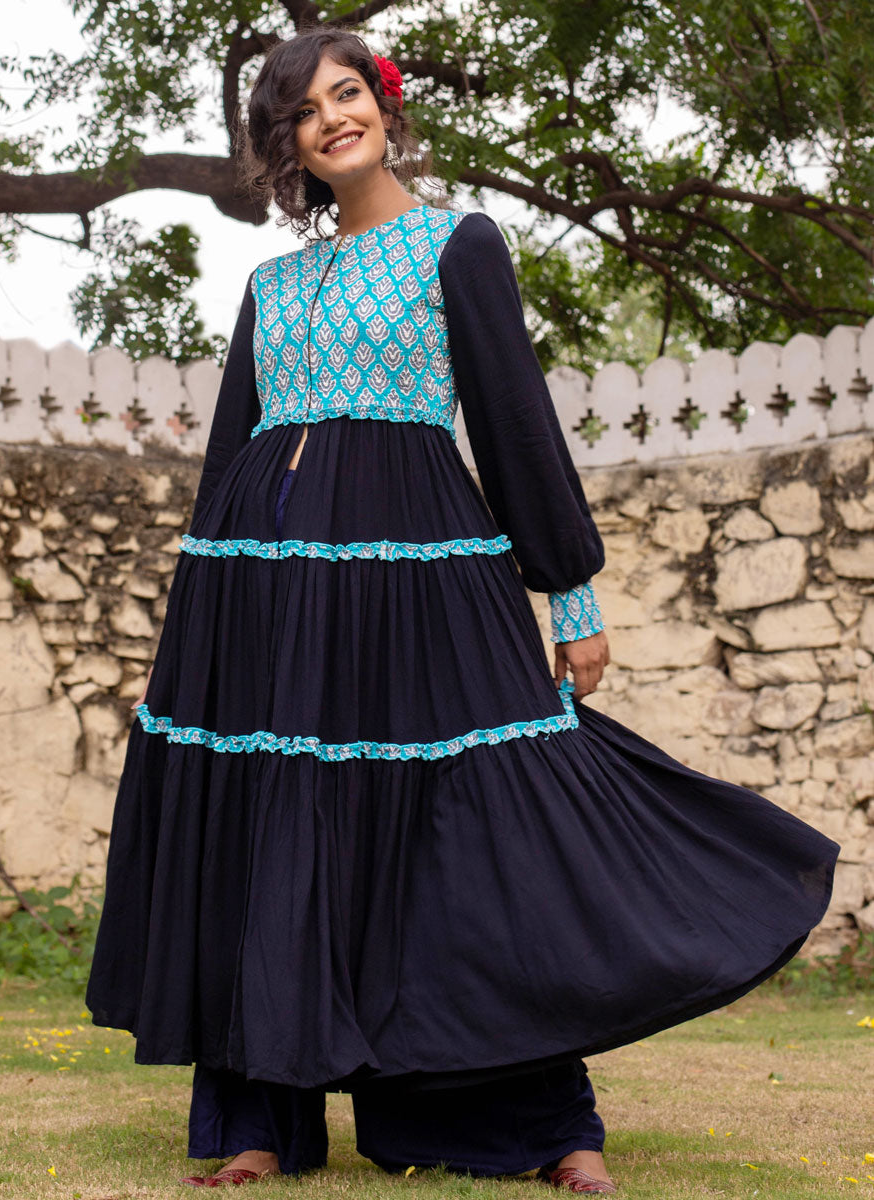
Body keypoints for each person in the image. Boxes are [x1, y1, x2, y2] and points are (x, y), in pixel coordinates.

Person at [85, 26, 839, 1195]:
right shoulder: (271, 285)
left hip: (426, 577)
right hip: (269, 589)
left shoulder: (459, 244)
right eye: (303, 110)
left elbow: (514, 421)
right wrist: (205, 625)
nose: (332, 119)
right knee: (272, 822)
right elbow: (232, 453)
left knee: (482, 827)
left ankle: (546, 1127)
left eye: (348, 94)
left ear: (385, 108)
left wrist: (570, 594)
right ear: (284, 143)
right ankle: (259, 1123)